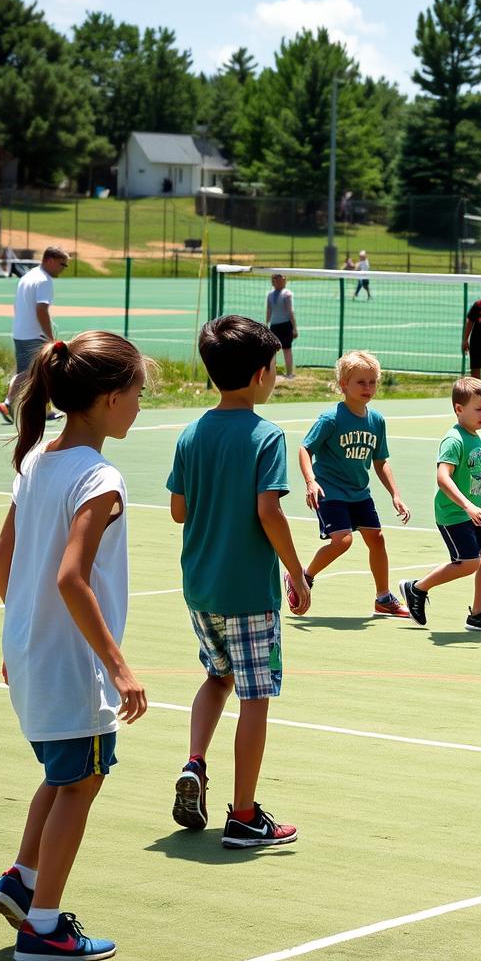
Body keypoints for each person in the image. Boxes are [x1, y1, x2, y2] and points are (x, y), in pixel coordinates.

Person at [0, 331, 150, 961]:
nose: (140, 405)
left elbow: (3, 562)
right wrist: (120, 666)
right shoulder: (99, 476)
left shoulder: (36, 463)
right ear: (110, 399)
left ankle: (23, 882)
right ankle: (44, 929)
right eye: (137, 393)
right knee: (82, 781)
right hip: (74, 666)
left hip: (34, 656)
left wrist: (23, 634)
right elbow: (70, 577)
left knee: (65, 775)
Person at [167, 314, 311, 848]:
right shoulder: (266, 435)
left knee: (216, 677)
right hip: (250, 592)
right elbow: (269, 510)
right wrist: (297, 573)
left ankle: (194, 762)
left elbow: (179, 510)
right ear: (258, 375)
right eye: (272, 368)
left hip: (200, 589)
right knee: (256, 696)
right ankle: (245, 814)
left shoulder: (191, 432)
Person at [286, 350, 411, 617]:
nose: (368, 388)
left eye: (372, 382)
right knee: (343, 541)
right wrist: (311, 482)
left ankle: (383, 598)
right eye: (361, 382)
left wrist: (395, 495)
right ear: (344, 385)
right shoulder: (331, 419)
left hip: (359, 493)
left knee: (377, 539)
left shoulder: (376, 420)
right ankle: (302, 577)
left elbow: (381, 461)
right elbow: (305, 450)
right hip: (329, 490)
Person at [400, 376, 481, 632]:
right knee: (469, 562)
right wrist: (468, 505)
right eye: (478, 409)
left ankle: (477, 614)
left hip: (474, 512)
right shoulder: (454, 440)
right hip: (453, 513)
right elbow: (443, 478)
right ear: (459, 409)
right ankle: (417, 588)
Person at [0, 246, 69, 425]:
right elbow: (41, 309)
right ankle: (8, 403)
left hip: (21, 331)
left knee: (38, 372)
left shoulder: (28, 276)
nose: (63, 268)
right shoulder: (44, 280)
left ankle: (45, 410)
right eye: (62, 264)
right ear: (50, 260)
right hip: (35, 334)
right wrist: (50, 337)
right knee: (31, 372)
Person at [265, 273, 298, 379]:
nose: (284, 281)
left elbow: (269, 311)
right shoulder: (287, 294)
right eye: (282, 279)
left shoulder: (270, 294)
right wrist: (294, 328)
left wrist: (267, 324)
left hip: (275, 325)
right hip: (283, 325)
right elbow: (290, 311)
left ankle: (277, 374)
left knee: (276, 350)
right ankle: (289, 373)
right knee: (285, 350)